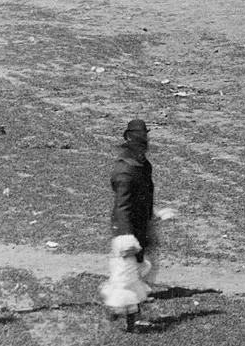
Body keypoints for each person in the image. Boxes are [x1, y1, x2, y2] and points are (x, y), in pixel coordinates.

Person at [105, 118, 157, 331]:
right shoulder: (125, 172)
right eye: (138, 141)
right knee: (127, 275)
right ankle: (129, 319)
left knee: (131, 273)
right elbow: (122, 208)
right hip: (127, 231)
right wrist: (127, 237)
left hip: (140, 226)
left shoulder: (143, 165)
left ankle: (118, 311)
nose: (143, 144)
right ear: (129, 142)